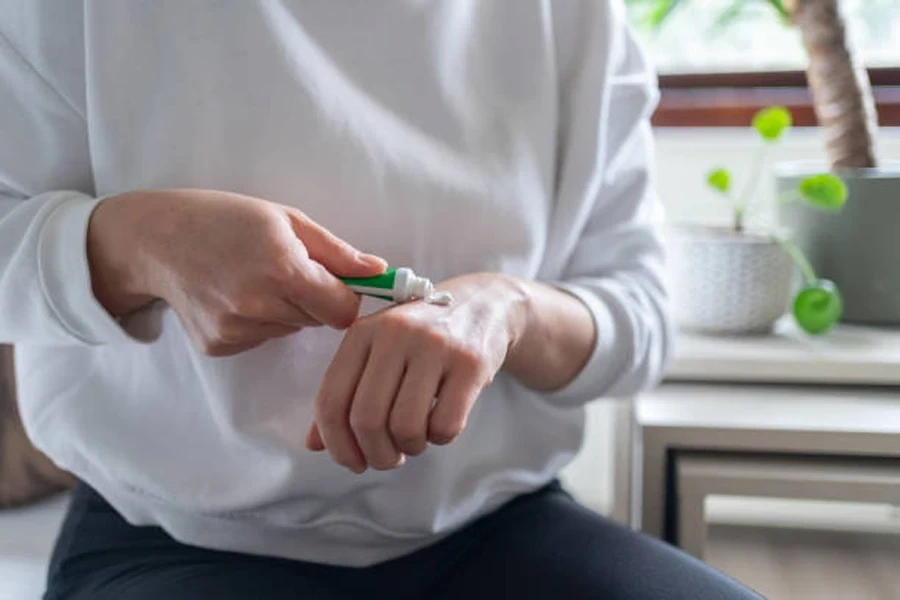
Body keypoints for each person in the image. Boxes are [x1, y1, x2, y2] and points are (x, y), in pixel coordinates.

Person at [0, 1, 763, 598]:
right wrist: (138, 243)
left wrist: (507, 310)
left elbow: (641, 312)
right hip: (168, 537)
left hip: (494, 527)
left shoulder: (574, 17)